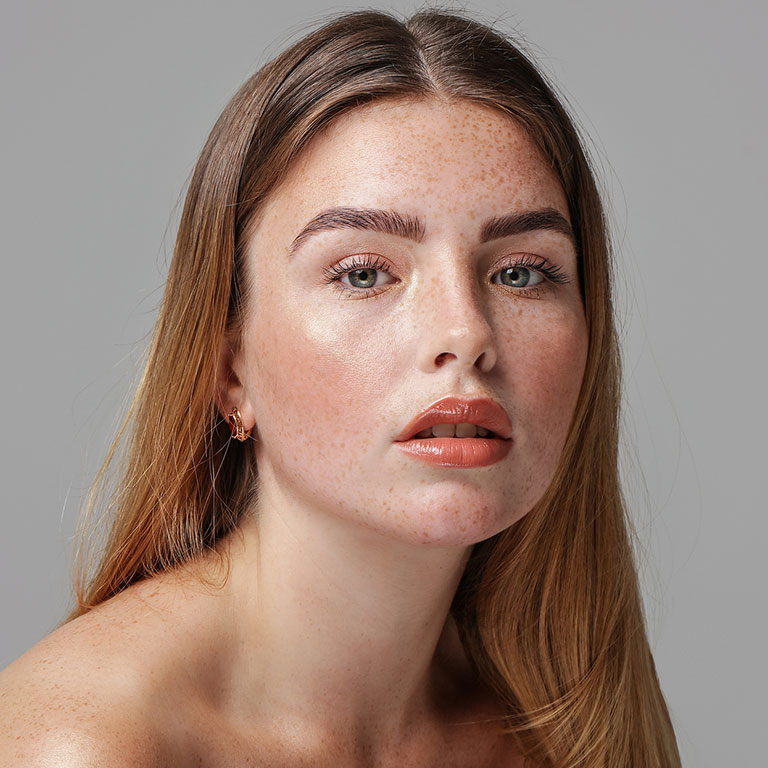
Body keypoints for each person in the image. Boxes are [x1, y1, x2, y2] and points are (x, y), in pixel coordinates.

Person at [0, 7, 682, 767]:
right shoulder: (85, 746)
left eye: (521, 272)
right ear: (228, 370)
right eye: (363, 273)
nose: (466, 332)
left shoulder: (574, 718)